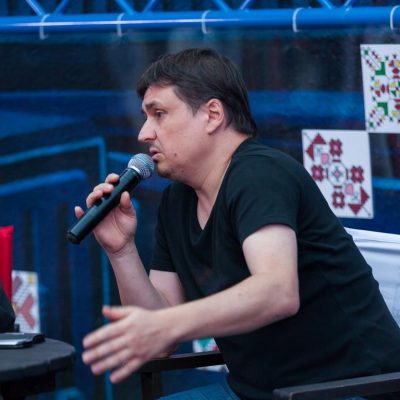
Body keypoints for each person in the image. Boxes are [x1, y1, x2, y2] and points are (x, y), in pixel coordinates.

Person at [78, 48, 400, 400]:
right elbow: (159, 342)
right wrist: (121, 250)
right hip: (254, 392)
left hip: (348, 389)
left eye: (159, 114)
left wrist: (167, 323)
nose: (144, 133)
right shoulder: (177, 201)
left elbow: (278, 292)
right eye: (145, 116)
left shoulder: (260, 174)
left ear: (212, 115)